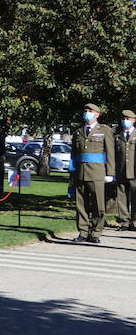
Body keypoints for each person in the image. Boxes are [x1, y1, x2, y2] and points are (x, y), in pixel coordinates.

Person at [71, 102, 114, 244]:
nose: (87, 112)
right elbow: (74, 154)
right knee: (80, 204)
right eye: (85, 110)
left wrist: (110, 172)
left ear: (97, 114)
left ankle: (95, 232)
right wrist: (72, 171)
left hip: (97, 172)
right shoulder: (78, 132)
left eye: (90, 110)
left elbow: (110, 153)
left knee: (98, 205)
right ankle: (83, 232)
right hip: (80, 172)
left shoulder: (105, 130)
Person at [112, 109, 136, 232]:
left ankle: (134, 221)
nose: (125, 121)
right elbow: (114, 155)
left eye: (128, 119)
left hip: (134, 172)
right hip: (121, 171)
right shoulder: (117, 136)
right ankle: (124, 222)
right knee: (122, 197)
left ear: (134, 121)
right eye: (123, 119)